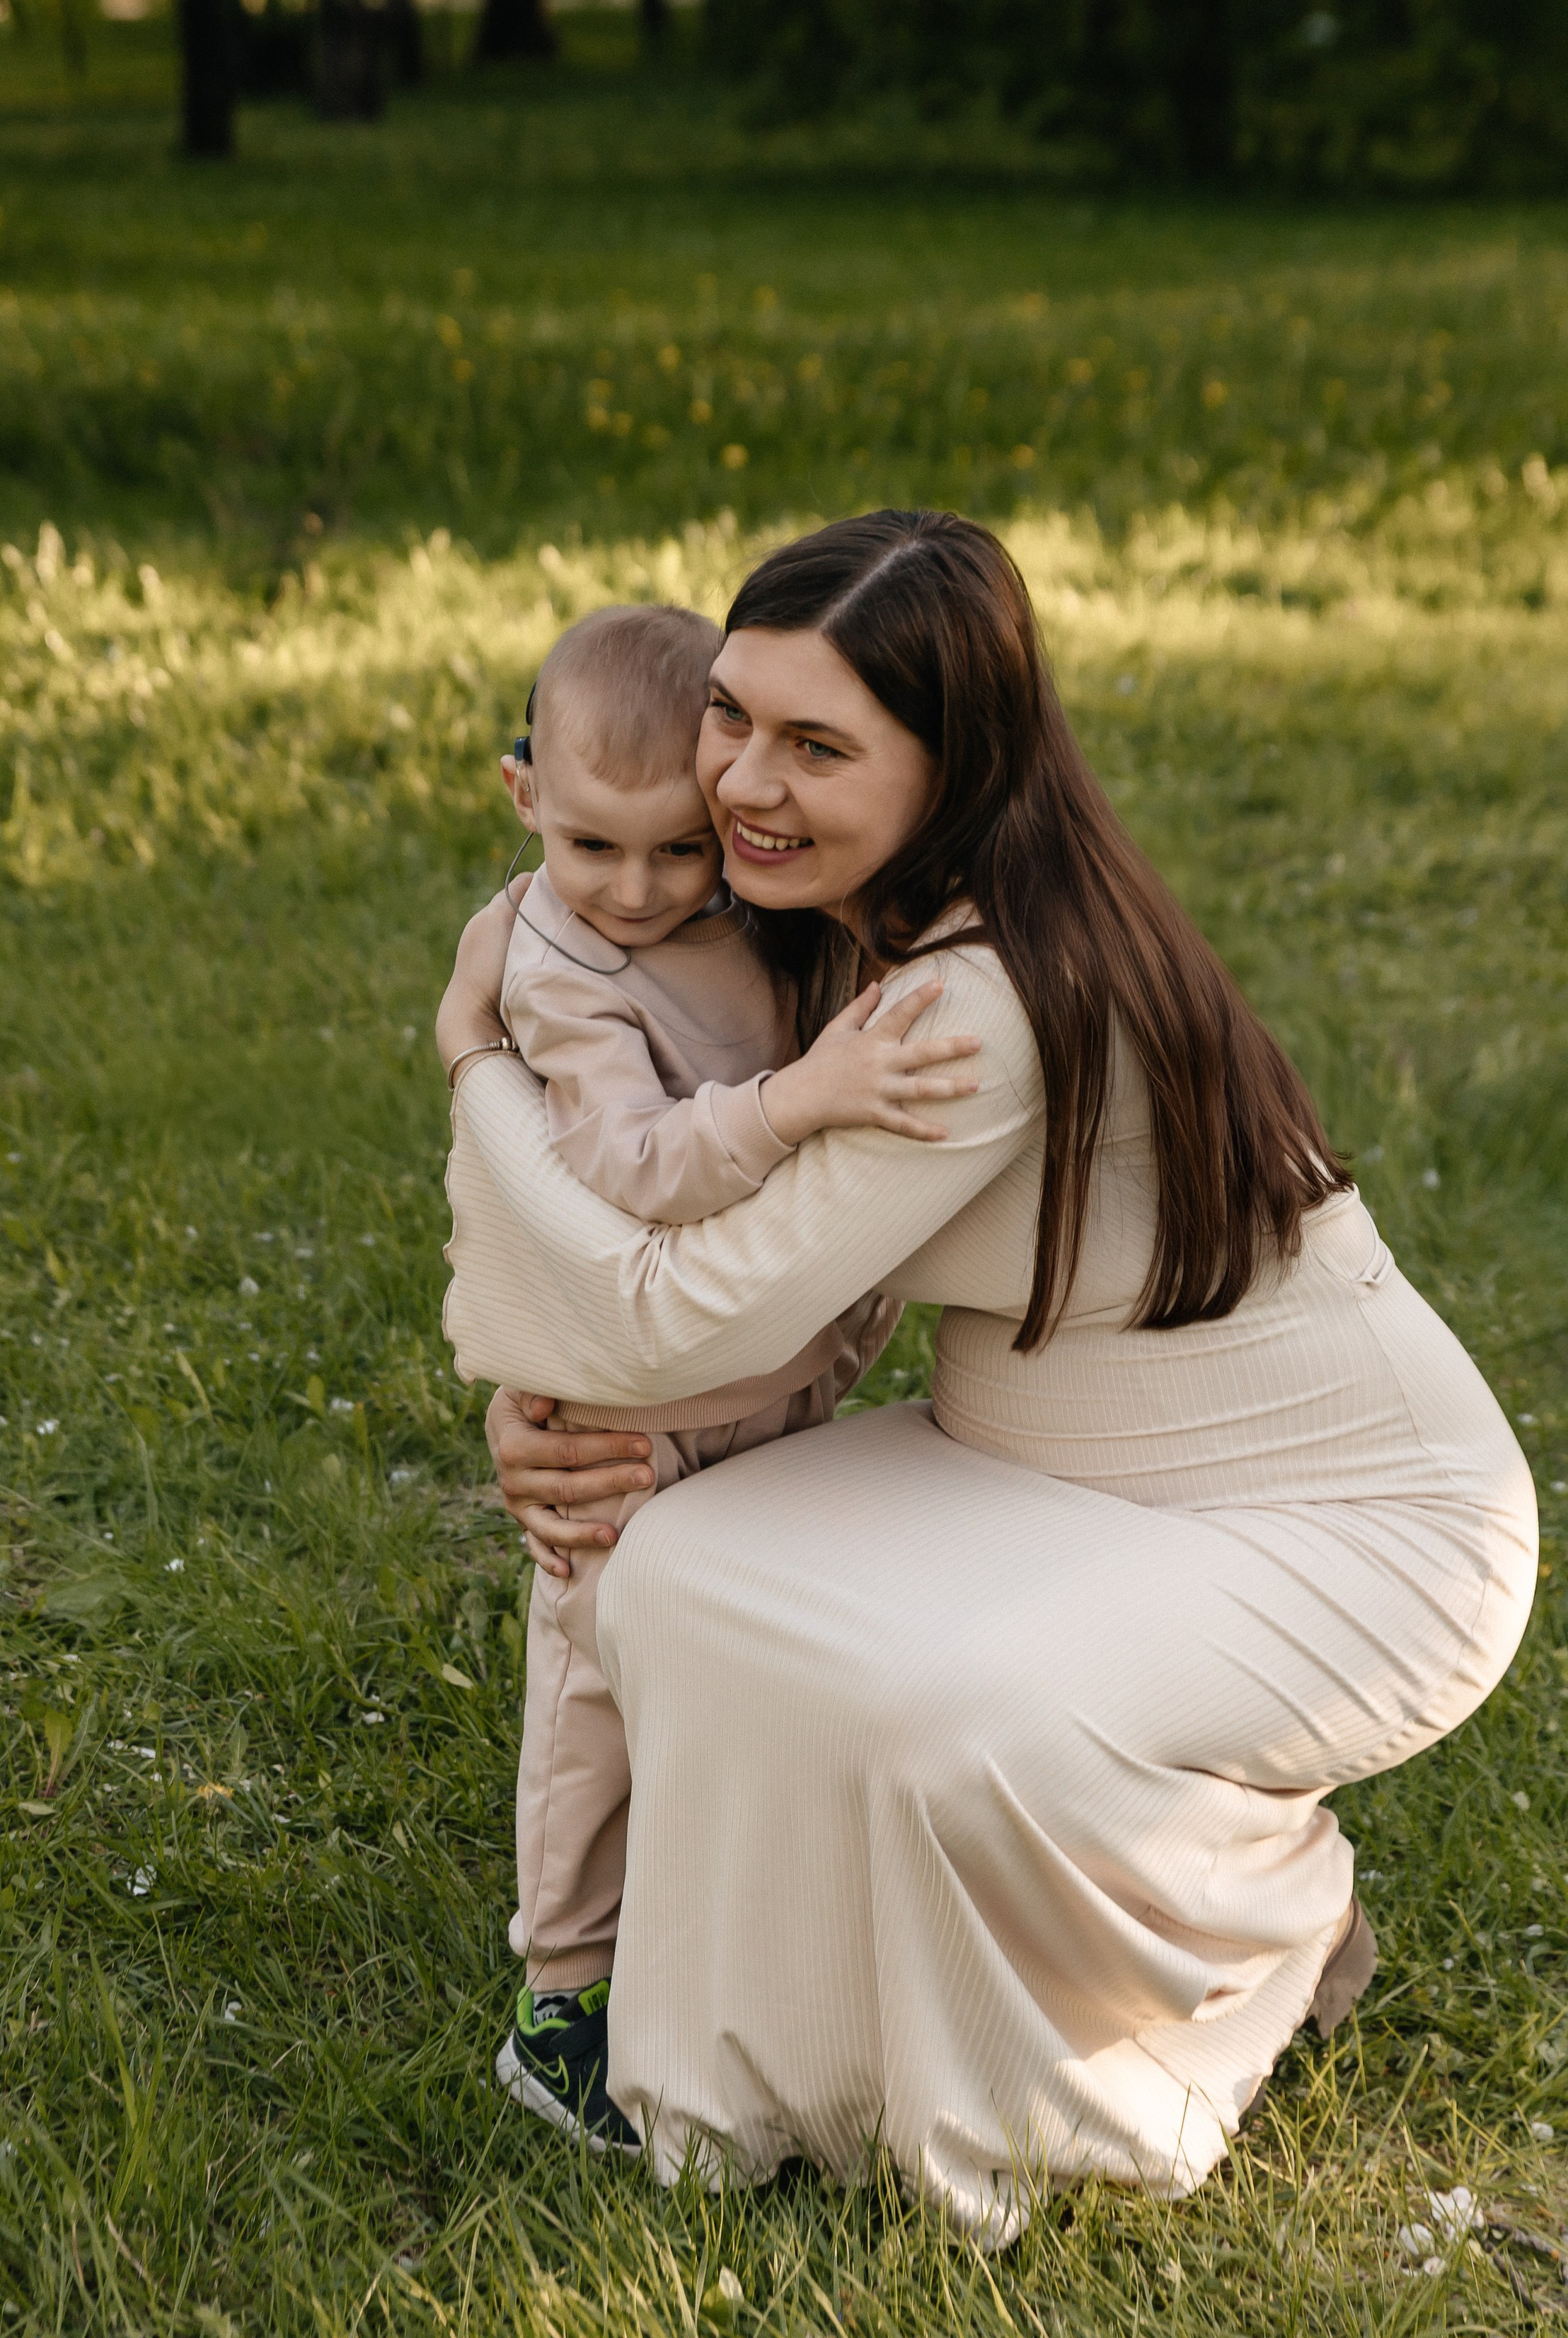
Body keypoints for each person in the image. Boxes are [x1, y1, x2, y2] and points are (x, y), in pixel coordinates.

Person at [439, 509, 1537, 2244]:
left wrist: (475, 1088)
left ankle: (1250, 1928)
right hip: (1034, 1456)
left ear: (952, 766)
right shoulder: (819, 925)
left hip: (1348, 1519)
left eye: (817, 745)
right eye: (731, 713)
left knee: (953, 1720)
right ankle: (759, 2057)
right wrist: (562, 1402)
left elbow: (677, 1317)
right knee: (680, 1571)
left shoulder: (971, 1002)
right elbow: (705, 1258)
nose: (738, 781)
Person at [453, 599, 974, 2146]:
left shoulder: (742, 910)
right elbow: (619, 1164)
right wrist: (803, 1101)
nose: (634, 891)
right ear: (523, 797)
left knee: (731, 1664)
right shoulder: (557, 971)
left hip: (766, 1376)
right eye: (593, 849)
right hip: (629, 1412)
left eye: (676, 849)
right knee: (597, 1686)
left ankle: (732, 1942)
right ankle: (560, 1996)